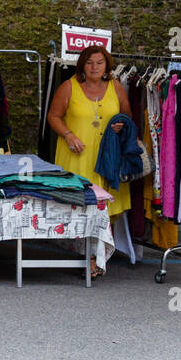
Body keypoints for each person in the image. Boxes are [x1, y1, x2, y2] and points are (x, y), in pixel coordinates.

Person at [47, 44, 130, 278]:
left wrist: (121, 124)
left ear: (107, 66)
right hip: (77, 156)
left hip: (106, 157)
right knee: (83, 205)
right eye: (90, 62)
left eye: (100, 63)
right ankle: (86, 254)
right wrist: (68, 134)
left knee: (104, 208)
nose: (94, 67)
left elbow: (127, 115)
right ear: (82, 64)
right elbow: (53, 116)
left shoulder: (116, 87)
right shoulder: (69, 87)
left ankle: (96, 257)